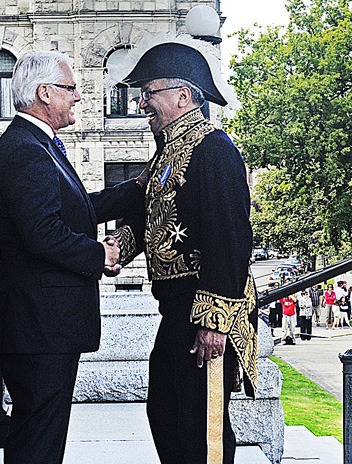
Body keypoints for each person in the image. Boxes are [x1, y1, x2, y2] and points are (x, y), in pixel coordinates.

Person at [0, 50, 144, 464]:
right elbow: (44, 233)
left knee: (40, 435)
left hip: (41, 323)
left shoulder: (39, 143)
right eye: (70, 89)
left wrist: (137, 187)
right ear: (44, 93)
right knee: (38, 440)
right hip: (38, 323)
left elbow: (77, 208)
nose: (78, 97)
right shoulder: (26, 148)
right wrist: (100, 254)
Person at [109, 41, 257, 463]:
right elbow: (150, 216)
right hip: (174, 309)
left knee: (201, 432)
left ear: (183, 95)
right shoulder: (166, 154)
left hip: (204, 312)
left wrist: (215, 323)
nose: (141, 103)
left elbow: (229, 240)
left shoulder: (214, 149)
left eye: (148, 93)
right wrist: (119, 246)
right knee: (166, 416)